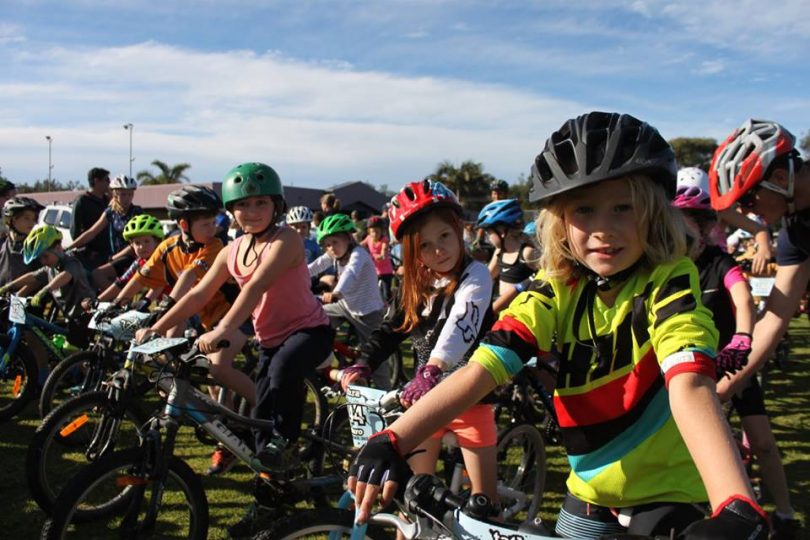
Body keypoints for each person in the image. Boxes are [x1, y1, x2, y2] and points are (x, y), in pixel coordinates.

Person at [348, 112, 767, 539]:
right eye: (584, 209)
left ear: (653, 212)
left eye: (624, 206)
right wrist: (394, 437)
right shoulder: (555, 288)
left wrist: (735, 501)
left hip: (666, 490)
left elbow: (690, 382)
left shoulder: (671, 278)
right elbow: (482, 368)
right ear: (559, 221)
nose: (604, 229)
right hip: (586, 487)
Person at [150, 163, 332, 538]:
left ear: (276, 205)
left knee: (282, 375)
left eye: (260, 203)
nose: (251, 212)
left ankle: (288, 440)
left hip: (310, 331)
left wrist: (223, 328)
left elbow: (255, 288)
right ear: (231, 211)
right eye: (243, 205)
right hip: (269, 340)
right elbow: (199, 293)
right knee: (261, 432)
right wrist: (155, 326)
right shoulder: (233, 249)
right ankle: (270, 499)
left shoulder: (287, 240)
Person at [341, 179, 499, 514]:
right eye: (425, 246)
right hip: (426, 400)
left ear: (459, 230)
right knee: (412, 502)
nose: (438, 250)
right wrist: (363, 363)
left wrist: (433, 368)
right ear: (413, 251)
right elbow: (391, 328)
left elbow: (461, 323)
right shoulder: (415, 282)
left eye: (444, 236)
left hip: (470, 397)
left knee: (485, 505)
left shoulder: (477, 273)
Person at [709, 118, 805, 538]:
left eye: (748, 199)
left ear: (781, 178)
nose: (747, 214)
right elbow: (775, 316)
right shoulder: (796, 231)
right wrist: (725, 387)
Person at [308, 213, 389, 387]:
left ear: (348, 238)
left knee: (376, 357)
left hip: (368, 312)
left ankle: (386, 394)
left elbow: (351, 273)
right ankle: (329, 363)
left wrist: (336, 293)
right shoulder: (334, 255)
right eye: (327, 245)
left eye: (335, 242)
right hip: (345, 306)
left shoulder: (358, 254)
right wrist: (292, 278)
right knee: (313, 319)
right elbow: (315, 266)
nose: (331, 248)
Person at [68, 174, 142, 290]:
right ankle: (121, 302)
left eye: (130, 194)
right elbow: (92, 232)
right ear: (115, 194)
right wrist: (69, 247)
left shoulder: (136, 212)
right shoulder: (111, 212)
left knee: (97, 274)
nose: (127, 198)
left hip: (132, 256)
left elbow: (135, 243)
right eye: (123, 194)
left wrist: (115, 257)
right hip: (115, 256)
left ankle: (119, 302)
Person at [477, 198, 539, 312]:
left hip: (522, 316)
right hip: (503, 314)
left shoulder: (527, 253)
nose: (487, 237)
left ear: (501, 232)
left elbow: (549, 275)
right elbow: (487, 277)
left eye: (488, 232)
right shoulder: (500, 252)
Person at [95, 214, 165, 302]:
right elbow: (121, 283)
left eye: (146, 241)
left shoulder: (164, 259)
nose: (141, 246)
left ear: (156, 241)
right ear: (131, 245)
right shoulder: (139, 263)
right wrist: (97, 300)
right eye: (137, 243)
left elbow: (158, 286)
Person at [70, 167, 111, 271]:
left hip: (108, 253)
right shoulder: (82, 201)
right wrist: (87, 251)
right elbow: (75, 230)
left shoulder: (107, 201)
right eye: (106, 180)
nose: (109, 183)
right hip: (92, 256)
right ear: (96, 181)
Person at [0, 196, 44, 286]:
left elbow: (42, 276)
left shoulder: (36, 245)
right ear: (12, 219)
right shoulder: (2, 243)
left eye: (34, 219)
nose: (32, 223)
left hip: (26, 298)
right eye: (27, 218)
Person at [361, 215, 395, 303]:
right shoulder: (369, 238)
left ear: (382, 231)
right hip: (374, 270)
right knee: (372, 291)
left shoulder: (384, 240)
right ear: (369, 232)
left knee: (386, 293)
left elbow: (383, 255)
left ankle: (390, 307)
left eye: (377, 231)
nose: (374, 234)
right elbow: (360, 245)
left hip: (386, 271)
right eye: (372, 231)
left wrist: (375, 256)